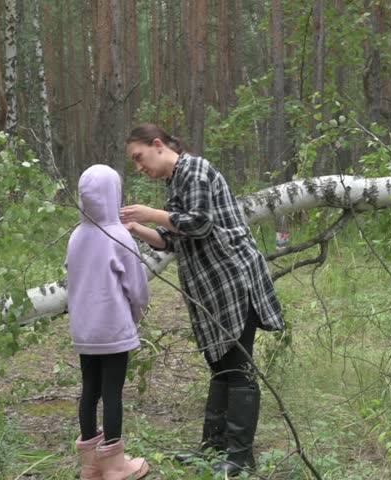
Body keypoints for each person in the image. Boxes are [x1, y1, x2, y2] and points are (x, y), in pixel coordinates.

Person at [120, 124, 284, 475]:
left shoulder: (195, 169)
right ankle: (213, 449)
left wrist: (149, 213)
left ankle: (240, 457)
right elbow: (173, 239)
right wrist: (139, 228)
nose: (139, 167)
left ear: (158, 145)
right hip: (214, 288)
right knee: (220, 366)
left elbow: (198, 224)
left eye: (139, 157)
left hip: (235, 282)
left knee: (238, 370)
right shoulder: (175, 181)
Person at [67, 164, 150, 480]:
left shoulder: (76, 235)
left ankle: (90, 464)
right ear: (113, 194)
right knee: (113, 390)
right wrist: (138, 314)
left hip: (84, 331)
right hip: (114, 329)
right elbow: (137, 287)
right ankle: (115, 465)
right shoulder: (118, 235)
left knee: (90, 389)